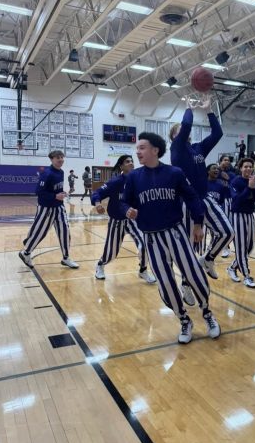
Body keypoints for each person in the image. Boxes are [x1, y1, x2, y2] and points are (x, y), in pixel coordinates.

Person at [121, 132, 220, 345]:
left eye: (142, 148)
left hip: (175, 233)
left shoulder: (174, 173)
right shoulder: (133, 177)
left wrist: (198, 222)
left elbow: (192, 197)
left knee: (194, 275)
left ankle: (207, 313)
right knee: (165, 284)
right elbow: (123, 202)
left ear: (155, 150)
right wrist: (127, 209)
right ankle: (184, 320)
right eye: (137, 148)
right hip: (151, 238)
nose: (137, 152)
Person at [169, 96, 234, 301]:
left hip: (205, 198)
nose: (184, 130)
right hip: (187, 202)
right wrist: (188, 108)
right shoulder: (176, 149)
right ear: (174, 137)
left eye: (183, 129)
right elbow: (187, 125)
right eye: (178, 130)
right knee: (190, 248)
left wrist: (209, 110)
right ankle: (186, 285)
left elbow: (218, 133)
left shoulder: (197, 148)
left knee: (227, 232)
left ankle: (208, 258)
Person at [91, 154, 156, 283]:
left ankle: (143, 270)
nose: (131, 163)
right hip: (117, 220)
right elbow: (97, 193)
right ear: (121, 166)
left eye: (132, 161)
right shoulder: (115, 182)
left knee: (145, 244)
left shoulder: (138, 181)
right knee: (111, 252)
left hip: (132, 220)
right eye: (127, 162)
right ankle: (100, 265)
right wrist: (97, 204)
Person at [19, 150, 79, 270]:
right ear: (51, 159)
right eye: (58, 157)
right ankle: (26, 253)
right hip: (46, 208)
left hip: (59, 207)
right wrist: (54, 196)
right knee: (40, 232)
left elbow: (55, 189)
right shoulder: (47, 173)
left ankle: (66, 258)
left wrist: (60, 193)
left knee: (65, 232)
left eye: (62, 157)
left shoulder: (61, 172)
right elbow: (39, 192)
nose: (61, 159)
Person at [227, 158, 255, 287]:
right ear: (240, 168)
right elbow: (237, 201)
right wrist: (249, 188)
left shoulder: (253, 180)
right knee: (241, 248)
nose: (248, 169)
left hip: (249, 215)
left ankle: (231, 267)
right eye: (245, 166)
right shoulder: (235, 182)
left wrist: (254, 187)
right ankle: (247, 276)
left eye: (250, 166)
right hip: (237, 216)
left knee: (250, 247)